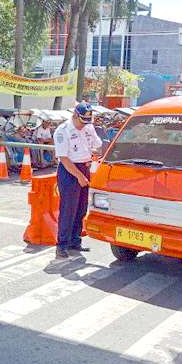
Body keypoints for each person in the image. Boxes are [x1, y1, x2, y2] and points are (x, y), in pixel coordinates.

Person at [53, 102, 103, 259]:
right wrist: (79, 176)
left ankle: (75, 241)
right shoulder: (63, 131)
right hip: (69, 171)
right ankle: (62, 245)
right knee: (68, 209)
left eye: (88, 121)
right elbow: (64, 158)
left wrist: (95, 151)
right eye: (82, 121)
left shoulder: (88, 127)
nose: (84, 125)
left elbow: (98, 145)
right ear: (75, 115)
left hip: (84, 167)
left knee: (81, 208)